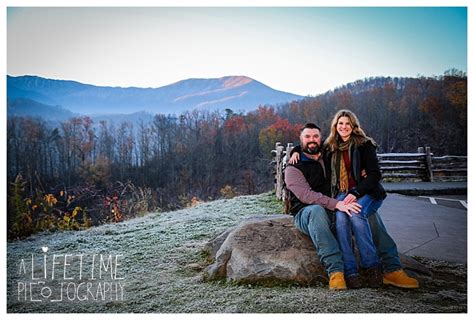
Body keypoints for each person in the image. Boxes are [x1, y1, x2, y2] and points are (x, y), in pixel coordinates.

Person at [286, 122, 419, 289]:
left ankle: (392, 269)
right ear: (300, 139)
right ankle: (336, 272)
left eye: (315, 136)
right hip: (306, 213)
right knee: (317, 211)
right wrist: (337, 204)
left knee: (363, 212)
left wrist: (363, 171)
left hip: (335, 208)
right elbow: (307, 196)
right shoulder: (293, 167)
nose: (311, 140)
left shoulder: (328, 155)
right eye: (307, 137)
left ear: (321, 139)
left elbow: (351, 159)